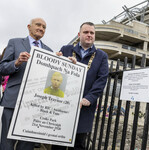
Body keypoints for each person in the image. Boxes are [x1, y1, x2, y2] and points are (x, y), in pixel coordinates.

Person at [52, 22, 109, 150]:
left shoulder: (101, 56)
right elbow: (56, 73)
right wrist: (57, 60)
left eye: (92, 33)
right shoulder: (66, 49)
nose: (89, 35)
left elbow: (101, 80)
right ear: (79, 35)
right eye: (86, 32)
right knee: (58, 143)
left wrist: (89, 98)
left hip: (84, 107)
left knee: (78, 144)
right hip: (62, 105)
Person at [0, 18, 53, 150]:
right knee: (7, 142)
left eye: (44, 27)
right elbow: (2, 67)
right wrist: (16, 63)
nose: (41, 28)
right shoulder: (14, 42)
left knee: (27, 144)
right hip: (13, 99)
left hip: (35, 104)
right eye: (38, 25)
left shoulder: (49, 50)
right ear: (29, 27)